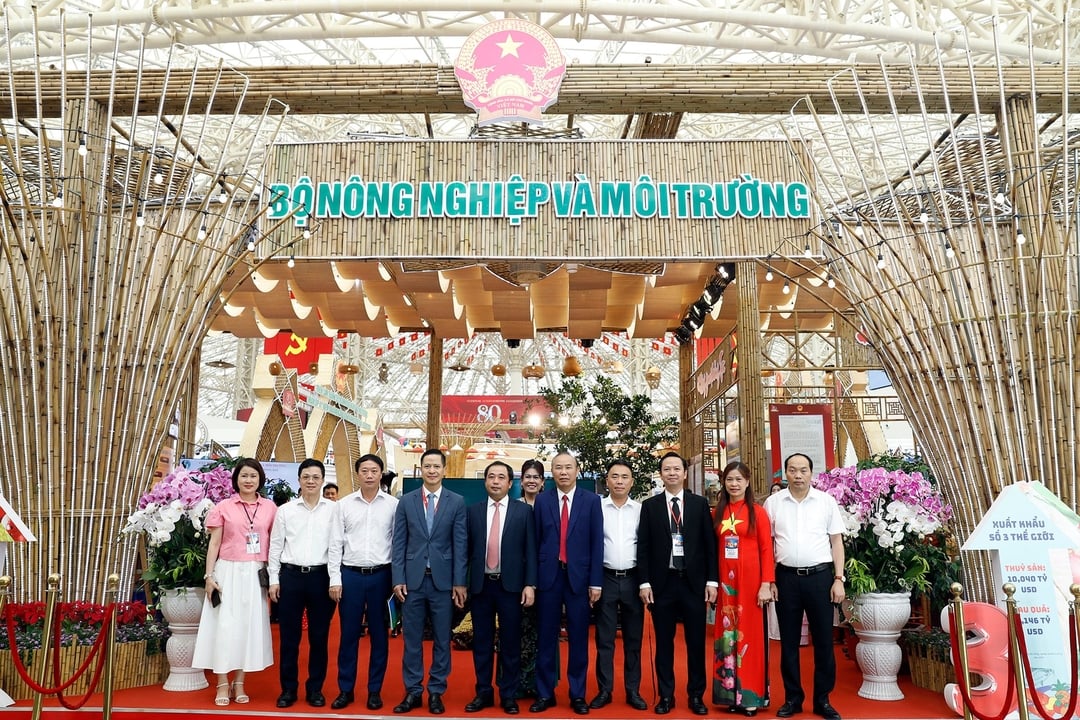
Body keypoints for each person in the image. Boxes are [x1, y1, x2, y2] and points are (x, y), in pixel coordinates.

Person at [762, 453, 846, 720]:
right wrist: (770, 580)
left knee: (823, 642)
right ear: (785, 473)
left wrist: (839, 579)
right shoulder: (773, 503)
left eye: (803, 470)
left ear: (811, 473)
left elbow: (836, 542)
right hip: (785, 579)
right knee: (788, 643)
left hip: (820, 578)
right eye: (792, 470)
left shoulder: (826, 501)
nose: (798, 475)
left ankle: (822, 700)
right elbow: (767, 545)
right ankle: (793, 699)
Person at [637, 451, 718, 716]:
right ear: (661, 474)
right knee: (664, 644)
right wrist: (644, 583)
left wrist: (712, 581)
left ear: (685, 473)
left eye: (676, 469)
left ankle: (696, 696)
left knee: (696, 643)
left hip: (693, 584)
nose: (672, 473)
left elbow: (709, 545)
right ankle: (666, 695)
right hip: (663, 584)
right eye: (667, 469)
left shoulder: (699, 504)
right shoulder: (650, 506)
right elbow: (644, 547)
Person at [194, 458, 277, 706]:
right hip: (227, 571)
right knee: (224, 627)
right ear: (236, 479)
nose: (248, 480)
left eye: (253, 476)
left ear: (260, 479)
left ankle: (239, 682)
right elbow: (214, 544)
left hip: (256, 572)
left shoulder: (270, 508)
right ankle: (221, 683)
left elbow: (275, 543)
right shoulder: (223, 507)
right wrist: (209, 576)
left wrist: (274, 576)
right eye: (244, 476)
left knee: (247, 628)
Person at [391, 448, 468, 715]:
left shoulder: (456, 502)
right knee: (411, 640)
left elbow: (460, 544)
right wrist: (398, 578)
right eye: (427, 466)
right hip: (412, 582)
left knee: (442, 639)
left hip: (443, 583)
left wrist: (460, 582)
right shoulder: (406, 501)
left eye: (437, 466)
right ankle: (413, 691)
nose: (432, 471)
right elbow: (399, 542)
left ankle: (436, 691)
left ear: (444, 470)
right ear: (421, 469)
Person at [531, 451, 603, 716]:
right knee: (546, 637)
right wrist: (532, 581)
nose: (563, 472)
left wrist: (596, 582)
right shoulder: (542, 501)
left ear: (577, 470)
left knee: (579, 638)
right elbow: (535, 541)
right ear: (552, 472)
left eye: (568, 467)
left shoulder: (591, 501)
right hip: (548, 578)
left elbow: (597, 543)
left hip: (579, 579)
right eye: (558, 468)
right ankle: (545, 693)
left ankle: (577, 694)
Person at [465, 460, 538, 715]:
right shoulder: (473, 511)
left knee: (510, 643)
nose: (495, 481)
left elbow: (530, 551)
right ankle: (483, 692)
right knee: (482, 643)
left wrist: (530, 584)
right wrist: (461, 583)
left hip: (512, 587)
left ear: (510, 483)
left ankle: (508, 694)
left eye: (501, 477)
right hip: (481, 586)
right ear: (485, 481)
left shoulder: (523, 512)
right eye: (491, 477)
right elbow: (465, 552)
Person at [328, 453, 398, 711]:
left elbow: (398, 543)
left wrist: (397, 580)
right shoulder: (344, 505)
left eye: (374, 471)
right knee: (348, 635)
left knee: (380, 636)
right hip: (351, 576)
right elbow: (335, 544)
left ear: (381, 474)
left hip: (382, 576)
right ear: (357, 474)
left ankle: (374, 690)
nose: (369, 475)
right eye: (364, 471)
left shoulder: (393, 505)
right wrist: (335, 579)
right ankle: (345, 689)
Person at [267, 458, 336, 708]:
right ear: (299, 480)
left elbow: (336, 548)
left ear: (322, 480)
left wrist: (335, 580)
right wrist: (274, 579)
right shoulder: (286, 510)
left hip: (321, 577)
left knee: (319, 637)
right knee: (289, 638)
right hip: (291, 577)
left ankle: (315, 689)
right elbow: (275, 546)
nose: (311, 481)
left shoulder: (334, 510)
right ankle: (288, 689)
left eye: (316, 477)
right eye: (306, 477)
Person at [712, 461, 775, 715]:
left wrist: (766, 584)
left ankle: (751, 695)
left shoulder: (758, 512)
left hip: (751, 584)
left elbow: (766, 550)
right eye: (729, 479)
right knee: (727, 635)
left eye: (739, 479)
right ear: (724, 483)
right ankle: (729, 695)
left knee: (750, 637)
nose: (734, 484)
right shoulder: (718, 512)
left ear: (747, 482)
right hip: (726, 584)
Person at [591, 459, 647, 711]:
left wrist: (646, 582)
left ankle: (633, 690)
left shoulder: (640, 510)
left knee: (634, 639)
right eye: (615, 476)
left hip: (634, 579)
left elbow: (645, 547)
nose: (620, 481)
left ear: (632, 482)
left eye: (625, 477)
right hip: (606, 578)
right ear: (607, 481)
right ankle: (605, 689)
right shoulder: (597, 508)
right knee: (605, 639)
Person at [518, 459, 545, 699]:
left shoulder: (549, 506)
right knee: (516, 630)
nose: (532, 481)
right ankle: (517, 683)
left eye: (536, 477)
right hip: (517, 579)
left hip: (546, 578)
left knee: (543, 631)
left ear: (543, 482)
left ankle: (540, 684)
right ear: (521, 480)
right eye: (528, 476)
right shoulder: (514, 507)